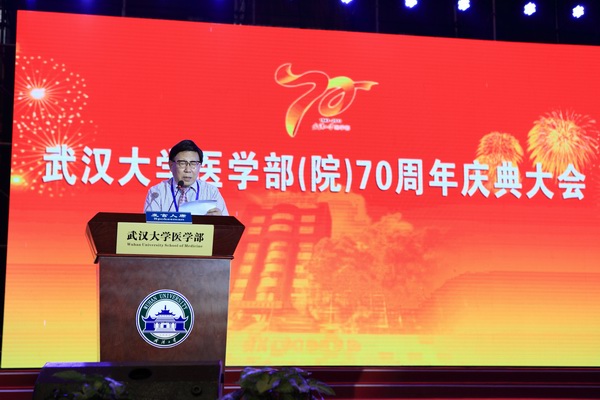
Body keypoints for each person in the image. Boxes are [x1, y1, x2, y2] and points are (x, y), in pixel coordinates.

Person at [144, 139, 228, 215]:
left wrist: (219, 221)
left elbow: (227, 225)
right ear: (171, 165)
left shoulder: (211, 192)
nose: (188, 170)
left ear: (200, 166)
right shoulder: (157, 193)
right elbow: (149, 224)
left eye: (193, 163)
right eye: (182, 163)